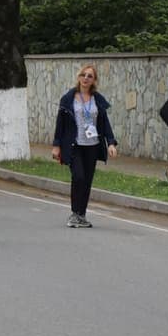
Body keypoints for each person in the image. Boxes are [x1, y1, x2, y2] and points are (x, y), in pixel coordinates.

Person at [52, 64, 119, 227]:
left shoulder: (98, 100)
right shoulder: (68, 98)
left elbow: (104, 123)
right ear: (78, 77)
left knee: (87, 180)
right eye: (83, 75)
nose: (86, 78)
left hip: (92, 145)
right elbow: (60, 123)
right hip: (75, 145)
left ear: (94, 80)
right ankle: (75, 213)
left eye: (90, 76)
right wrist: (56, 145)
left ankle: (82, 215)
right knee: (78, 177)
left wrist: (111, 143)